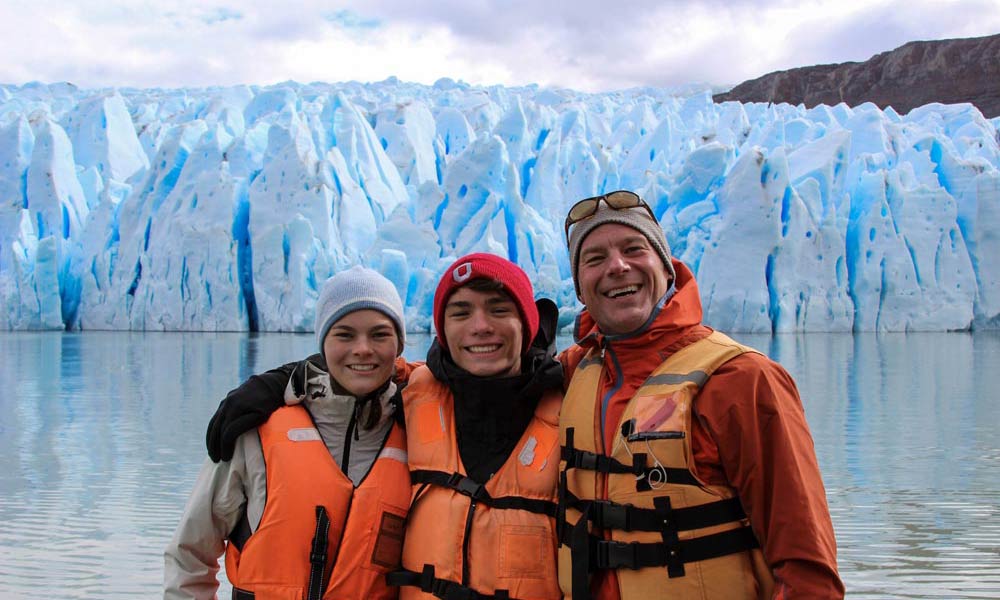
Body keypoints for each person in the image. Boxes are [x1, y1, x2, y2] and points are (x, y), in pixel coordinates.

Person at [203, 253, 565, 600]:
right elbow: (359, 373)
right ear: (442, 329)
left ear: (528, 323)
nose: (480, 327)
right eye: (461, 312)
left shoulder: (571, 407)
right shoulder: (418, 397)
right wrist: (282, 379)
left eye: (499, 309)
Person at [556, 190, 844, 599]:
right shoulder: (573, 374)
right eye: (595, 258)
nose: (617, 267)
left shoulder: (741, 379)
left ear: (668, 269)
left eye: (634, 249)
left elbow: (807, 568)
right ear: (581, 290)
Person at [164, 266, 413, 600]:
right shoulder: (257, 431)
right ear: (323, 342)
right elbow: (191, 552)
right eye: (344, 334)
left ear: (399, 345)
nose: (363, 349)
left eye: (380, 334)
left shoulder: (416, 429)